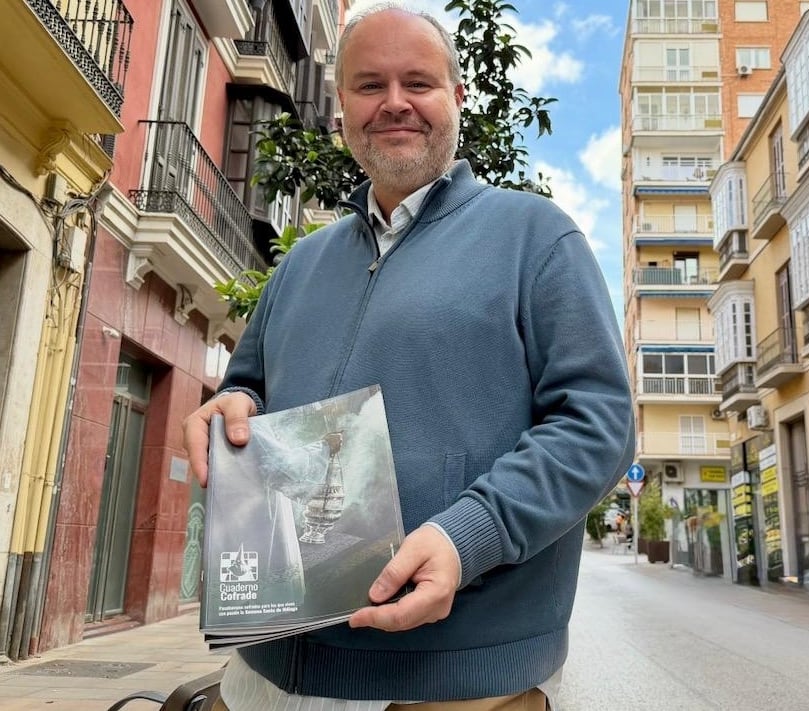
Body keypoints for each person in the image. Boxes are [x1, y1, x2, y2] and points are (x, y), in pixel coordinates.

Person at [182, 3, 634, 710]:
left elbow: (598, 427)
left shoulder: (537, 239)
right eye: (369, 85)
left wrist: (469, 536)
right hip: (262, 676)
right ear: (341, 111)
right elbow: (247, 394)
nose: (394, 103)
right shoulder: (299, 264)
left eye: (418, 82)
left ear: (457, 97)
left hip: (451, 690)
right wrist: (232, 409)